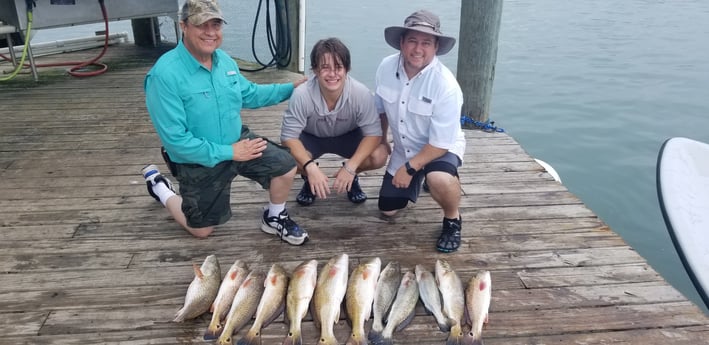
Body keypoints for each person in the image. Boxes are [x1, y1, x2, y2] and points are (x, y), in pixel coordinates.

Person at [140, 0, 309, 245]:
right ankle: (160, 188)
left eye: (216, 24)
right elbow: (176, 142)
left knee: (285, 164)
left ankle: (274, 217)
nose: (210, 32)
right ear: (183, 26)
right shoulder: (163, 76)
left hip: (237, 141)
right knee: (202, 231)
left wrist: (290, 89)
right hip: (198, 158)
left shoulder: (225, 62)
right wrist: (230, 152)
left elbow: (249, 94)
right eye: (201, 25)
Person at [375, 10, 466, 253]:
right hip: (405, 148)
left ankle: (452, 219)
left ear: (436, 47)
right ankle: (421, 177)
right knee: (388, 209)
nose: (418, 49)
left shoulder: (446, 86)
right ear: (402, 43)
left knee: (439, 179)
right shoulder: (385, 67)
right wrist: (383, 141)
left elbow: (439, 144)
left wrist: (409, 168)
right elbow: (381, 109)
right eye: (413, 40)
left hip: (440, 148)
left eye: (426, 42)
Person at [281, 37, 389, 206]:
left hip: (349, 136)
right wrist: (310, 167)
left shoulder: (360, 93)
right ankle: (310, 179)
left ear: (347, 69)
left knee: (379, 155)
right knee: (285, 159)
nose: (332, 74)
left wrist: (351, 167)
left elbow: (373, 134)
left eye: (338, 67)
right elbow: (288, 137)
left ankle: (351, 177)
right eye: (325, 68)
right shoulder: (302, 94)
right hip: (311, 138)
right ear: (315, 70)